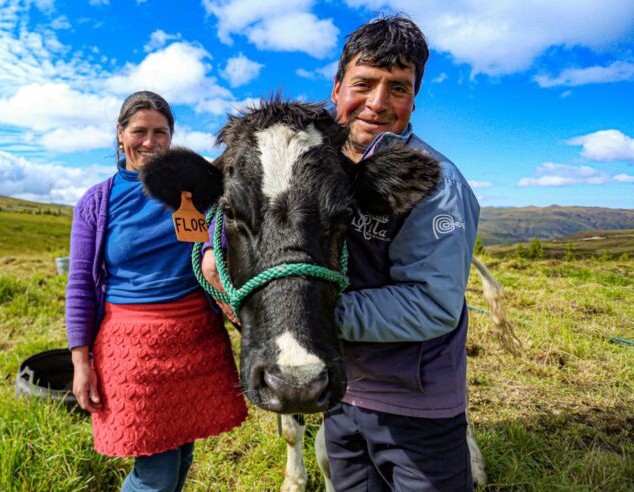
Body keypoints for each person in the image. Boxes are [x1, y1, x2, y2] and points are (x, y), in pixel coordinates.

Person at [203, 15, 480, 491]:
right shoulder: (322, 165)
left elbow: (433, 303)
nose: (377, 103)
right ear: (336, 89)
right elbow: (266, 224)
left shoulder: (437, 184)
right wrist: (219, 261)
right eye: (364, 84)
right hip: (342, 391)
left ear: (414, 99)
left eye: (398, 88)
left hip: (412, 403)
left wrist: (298, 319)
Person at [65, 91, 247, 492]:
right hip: (133, 348)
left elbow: (209, 251)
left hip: (196, 340)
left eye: (160, 132)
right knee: (156, 473)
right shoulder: (98, 202)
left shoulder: (191, 195)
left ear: (172, 136)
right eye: (139, 131)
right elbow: (79, 284)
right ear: (119, 133)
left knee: (181, 455)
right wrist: (80, 362)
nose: (150, 142)